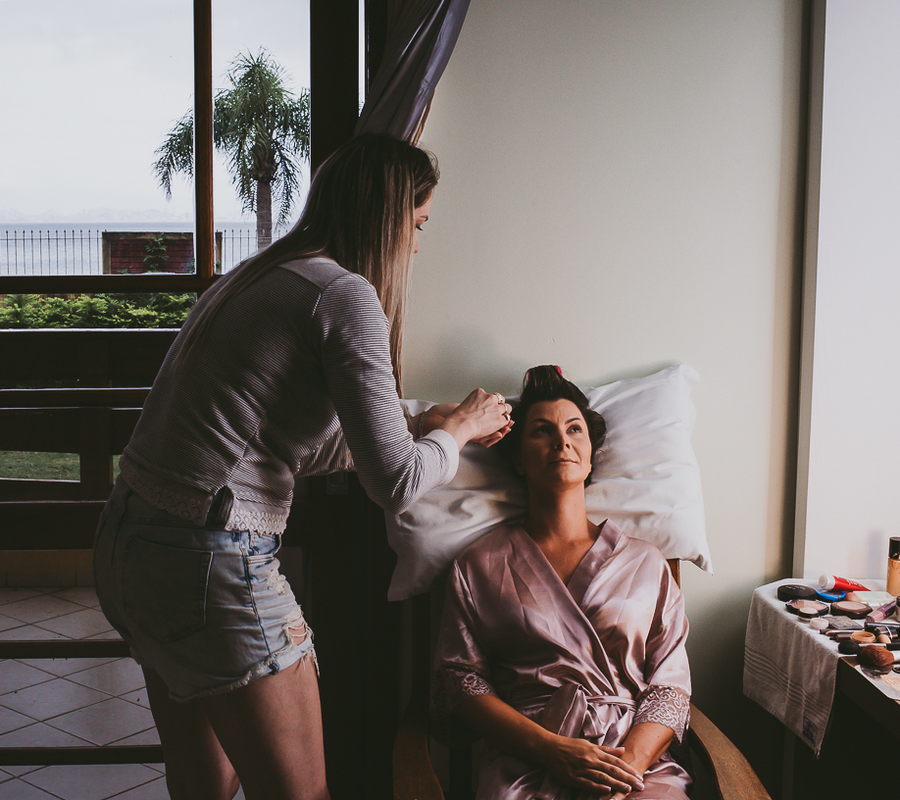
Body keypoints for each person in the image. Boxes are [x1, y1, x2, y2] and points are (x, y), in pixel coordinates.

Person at [93, 133, 512, 800]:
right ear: (388, 218)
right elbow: (395, 485)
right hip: (212, 564)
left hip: (130, 549)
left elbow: (288, 445)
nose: (417, 245)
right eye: (419, 223)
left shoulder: (259, 275)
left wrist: (413, 426)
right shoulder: (344, 295)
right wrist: (458, 429)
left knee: (204, 789)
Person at [433, 366, 691, 800]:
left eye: (574, 429)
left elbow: (670, 685)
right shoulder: (480, 564)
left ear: (591, 454)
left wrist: (627, 768)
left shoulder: (645, 562)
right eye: (541, 431)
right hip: (526, 756)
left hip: (633, 760)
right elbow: (460, 681)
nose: (562, 441)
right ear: (518, 458)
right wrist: (551, 750)